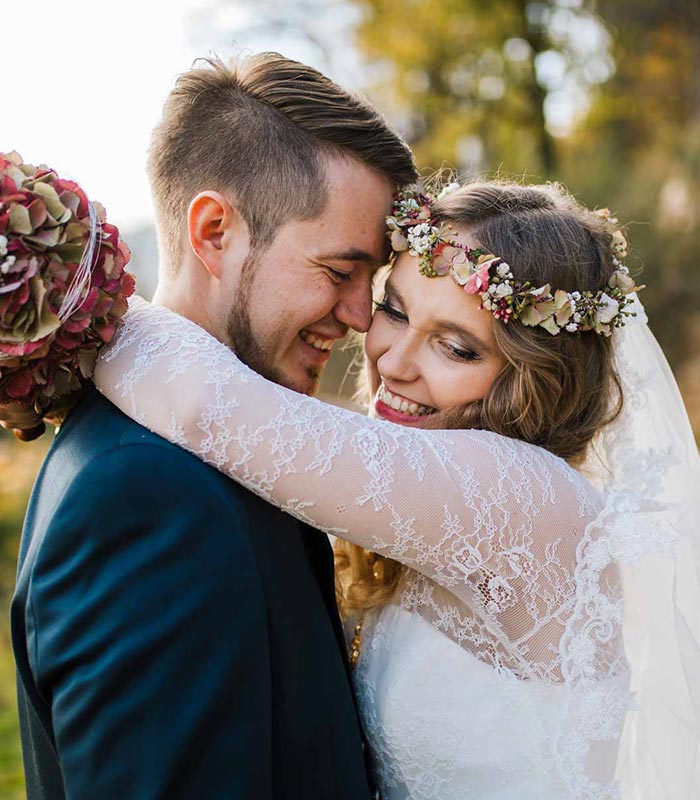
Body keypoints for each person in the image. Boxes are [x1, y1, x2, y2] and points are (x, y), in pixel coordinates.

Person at [90, 180, 700, 799]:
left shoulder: (523, 494)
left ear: (533, 379)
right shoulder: (437, 486)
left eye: (456, 347)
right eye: (397, 311)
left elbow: (204, 406)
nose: (393, 361)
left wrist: (61, 275)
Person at [6, 53, 417, 799]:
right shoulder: (146, 497)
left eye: (372, 281)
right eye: (337, 270)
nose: (361, 317)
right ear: (215, 230)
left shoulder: (213, 447)